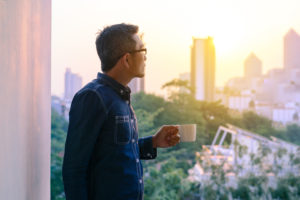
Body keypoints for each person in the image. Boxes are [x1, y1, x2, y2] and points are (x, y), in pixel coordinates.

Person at [62, 23, 180, 200]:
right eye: (142, 50)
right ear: (126, 59)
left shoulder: (120, 97)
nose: (146, 57)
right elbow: (74, 168)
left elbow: (113, 154)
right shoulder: (93, 97)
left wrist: (154, 142)